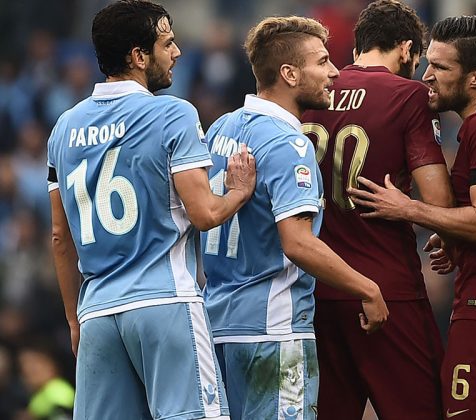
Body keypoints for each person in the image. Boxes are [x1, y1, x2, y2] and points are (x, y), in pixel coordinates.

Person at [47, 1, 256, 418]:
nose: (177, 52)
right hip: (166, 303)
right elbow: (204, 214)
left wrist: (75, 321)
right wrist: (238, 192)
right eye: (168, 43)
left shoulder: (64, 127)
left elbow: (59, 237)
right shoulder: (173, 113)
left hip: (98, 315)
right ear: (138, 57)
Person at [349, 15, 476, 420]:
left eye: (440, 68)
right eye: (429, 63)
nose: (427, 76)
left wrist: (408, 208)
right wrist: (453, 233)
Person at [200, 16, 389, 420]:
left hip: (216, 326)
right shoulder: (290, 143)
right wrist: (368, 288)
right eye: (321, 62)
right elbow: (298, 243)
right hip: (274, 332)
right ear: (289, 73)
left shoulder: (219, 128)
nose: (334, 72)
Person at [299, 1, 452, 418]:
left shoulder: (311, 93)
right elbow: (437, 199)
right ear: (406, 49)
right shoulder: (409, 96)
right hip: (387, 288)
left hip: (316, 289)